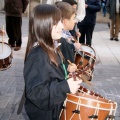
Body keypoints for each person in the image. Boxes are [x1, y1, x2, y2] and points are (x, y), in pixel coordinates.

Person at [24, 4, 82, 120]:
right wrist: (65, 86)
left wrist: (66, 74)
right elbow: (35, 92)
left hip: (54, 109)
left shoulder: (52, 48)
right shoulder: (38, 56)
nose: (61, 25)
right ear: (44, 26)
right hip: (45, 114)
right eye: (57, 22)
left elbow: (52, 75)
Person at [55, 2, 81, 70]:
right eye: (73, 18)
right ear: (66, 22)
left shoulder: (66, 34)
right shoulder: (62, 40)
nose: (75, 21)